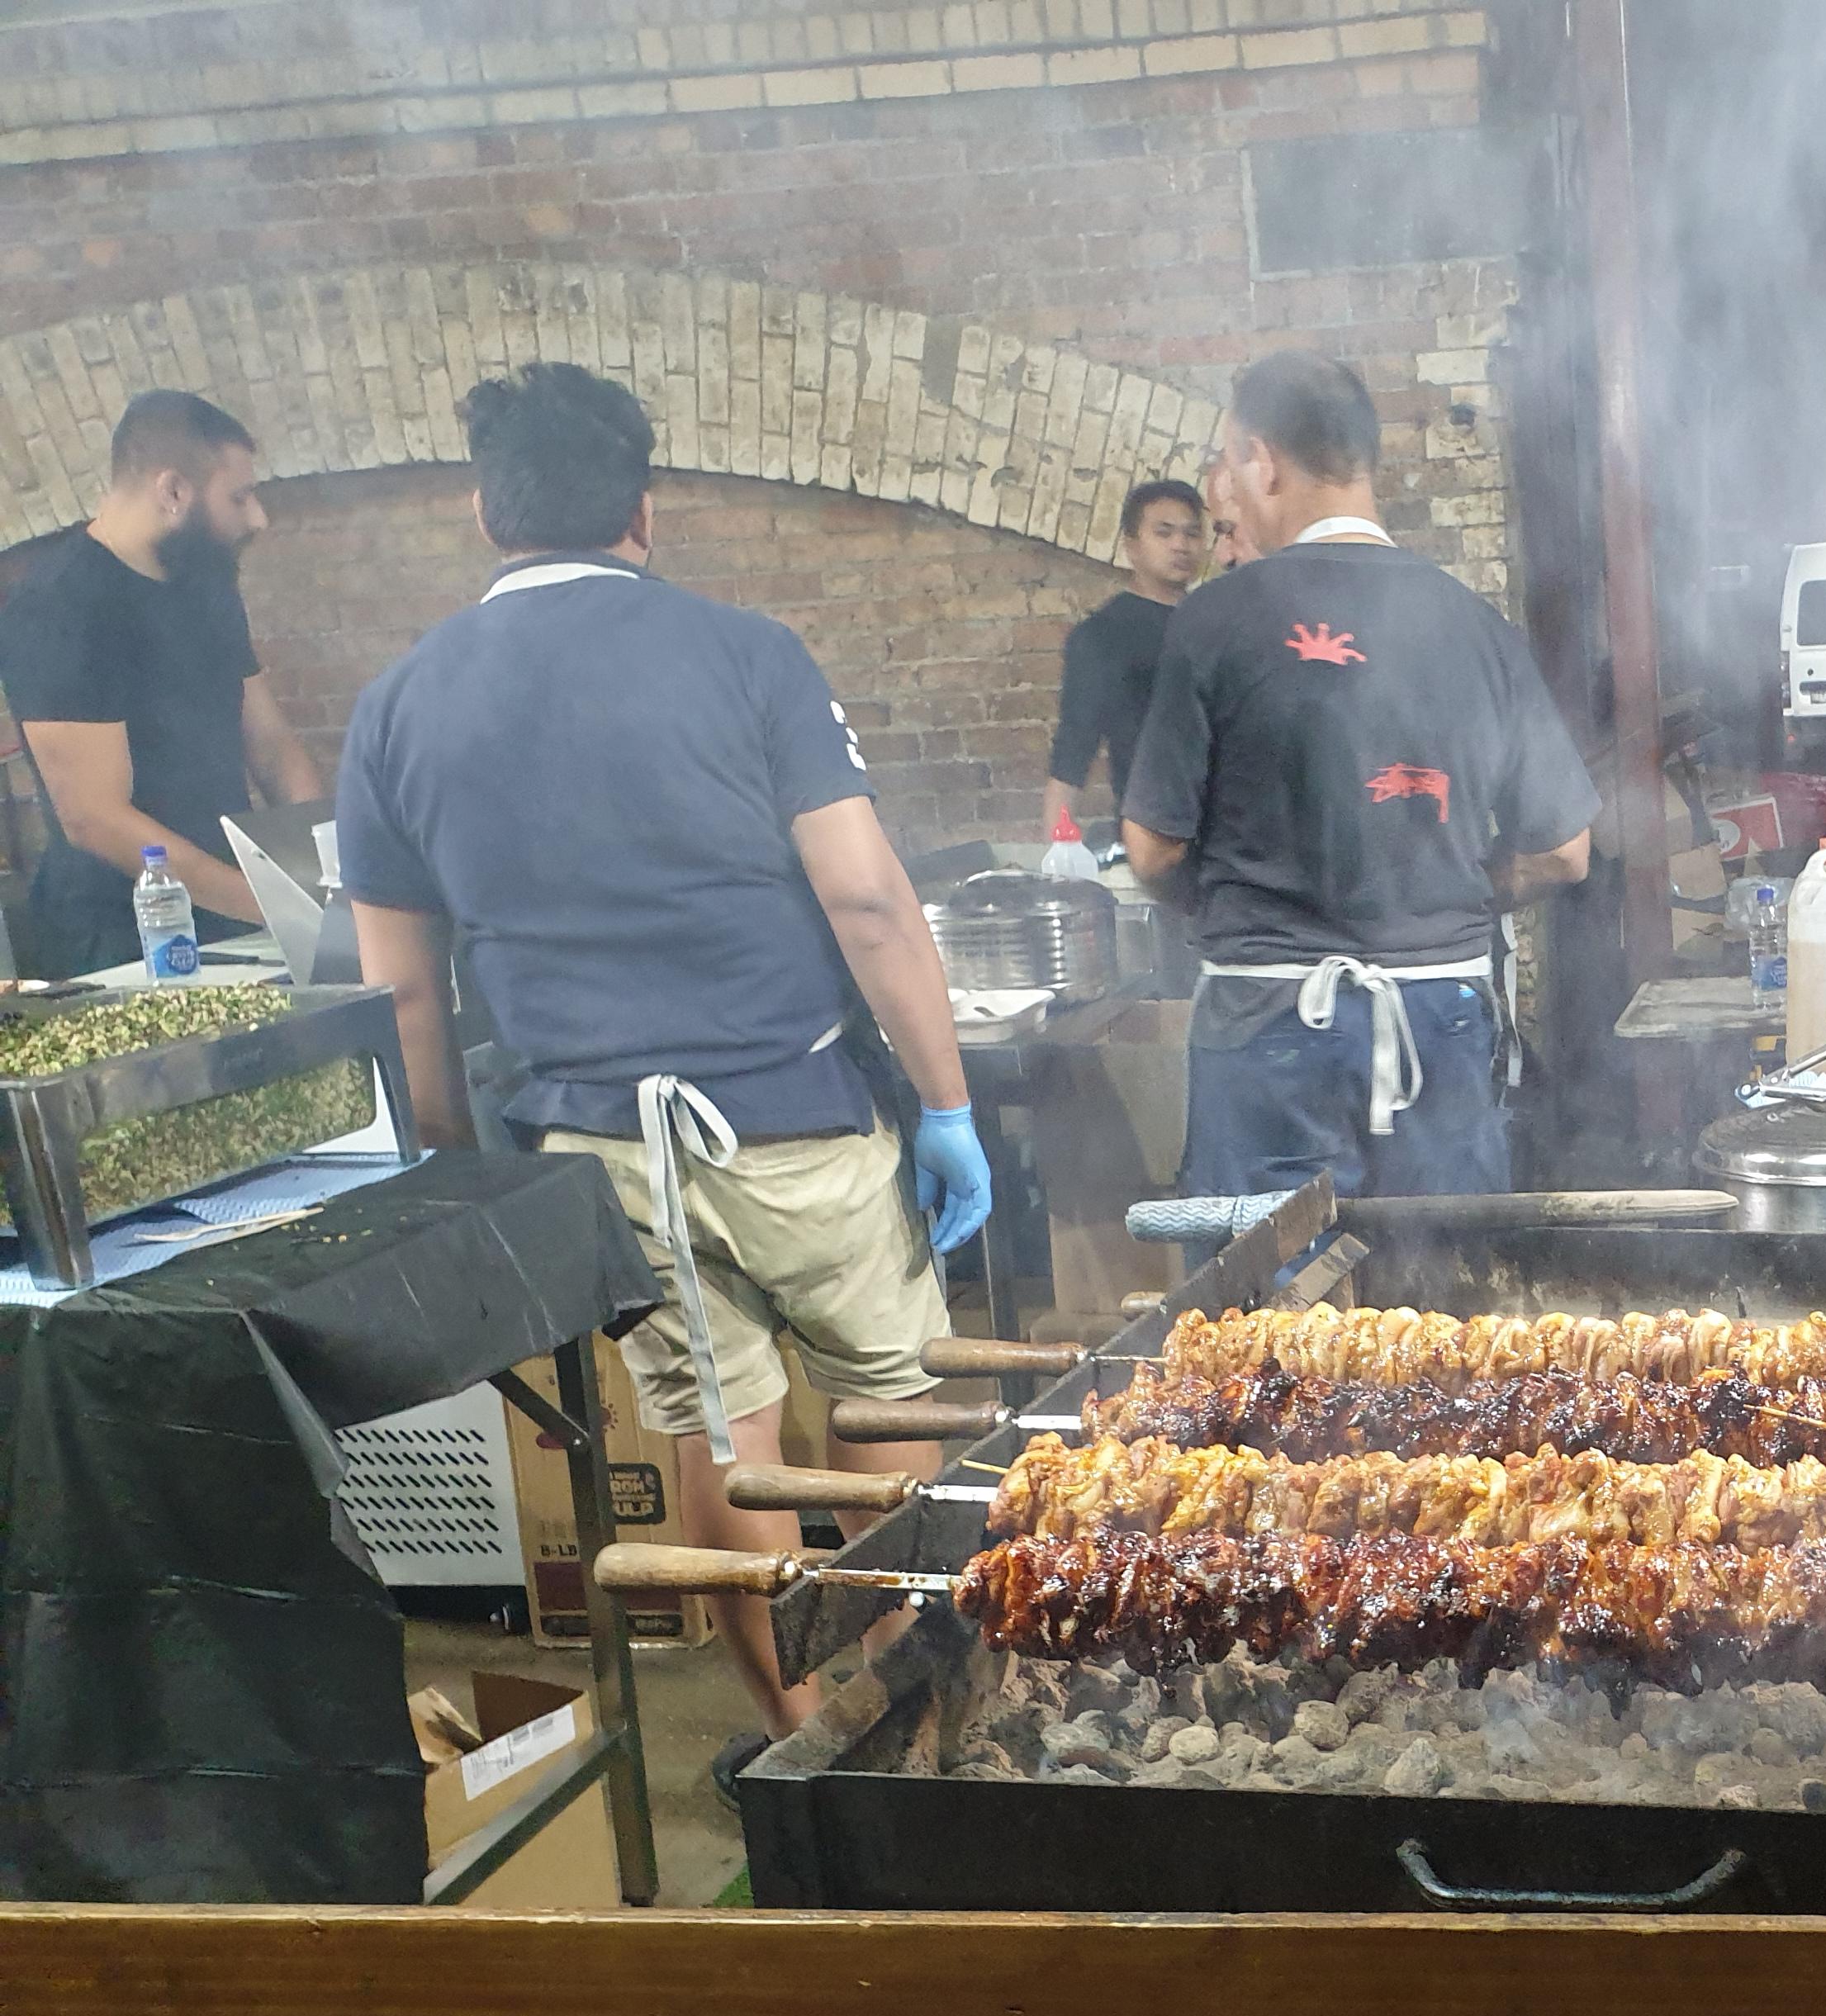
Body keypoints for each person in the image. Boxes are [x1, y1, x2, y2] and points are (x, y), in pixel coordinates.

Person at [337, 362, 993, 1800]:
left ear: (485, 511)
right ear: (643, 508)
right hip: (797, 1123)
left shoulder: (394, 708)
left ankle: (810, 1745)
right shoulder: (746, 654)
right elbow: (867, 900)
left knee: (720, 1431)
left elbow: (403, 995)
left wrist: (458, 1176)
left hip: (597, 1152)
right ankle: (942, 1728)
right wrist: (947, 1103)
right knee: (893, 1408)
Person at [1120, 350, 1596, 1198]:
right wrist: (1448, 894)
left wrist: (1246, 904)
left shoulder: (1213, 621)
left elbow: (1153, 852)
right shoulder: (1476, 625)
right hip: (1439, 1019)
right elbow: (1564, 852)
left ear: (1262, 461)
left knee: (1265, 1280)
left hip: (1269, 1021)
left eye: (1231, 464)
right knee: (1444, 1276)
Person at [0, 391, 320, 974]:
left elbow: (272, 746)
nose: (258, 518)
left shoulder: (206, 586)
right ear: (173, 491)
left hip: (234, 913)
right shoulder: (56, 605)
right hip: (120, 941)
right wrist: (276, 908)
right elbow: (95, 818)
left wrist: (326, 876)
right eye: (239, 497)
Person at [1041, 477, 1207, 842]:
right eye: (1164, 533)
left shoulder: (1218, 620)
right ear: (1132, 546)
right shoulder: (1103, 636)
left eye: (1192, 534)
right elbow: (1072, 754)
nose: (1181, 545)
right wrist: (1059, 854)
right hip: (1155, 834)